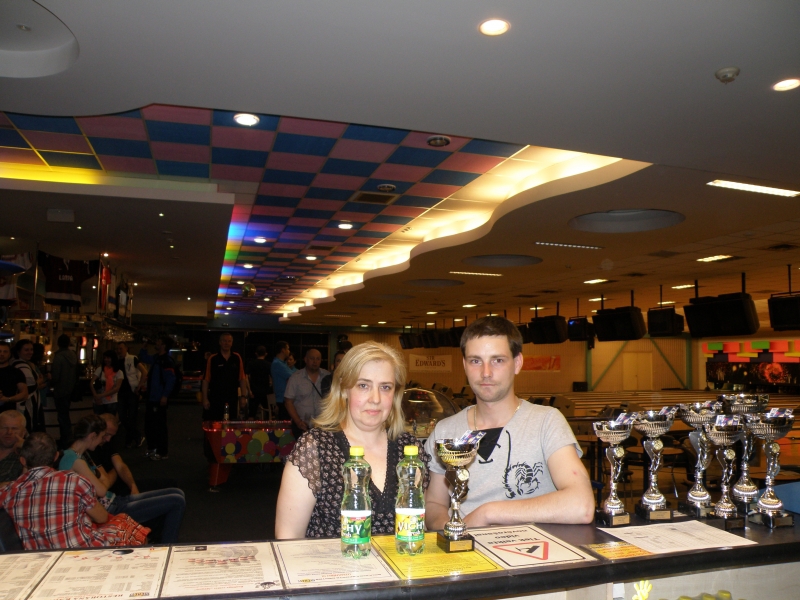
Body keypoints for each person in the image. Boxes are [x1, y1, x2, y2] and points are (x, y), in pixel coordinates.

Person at [424, 316, 595, 529]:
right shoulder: (445, 430)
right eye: (476, 361)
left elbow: (581, 505)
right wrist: (452, 531)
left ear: (517, 363)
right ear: (465, 366)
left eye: (498, 360)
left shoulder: (546, 422)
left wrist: (488, 513)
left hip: (531, 548)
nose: (486, 373)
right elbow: (434, 503)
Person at [275, 341, 429, 539]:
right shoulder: (314, 448)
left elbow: (419, 528)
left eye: (385, 387)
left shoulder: (411, 448)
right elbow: (288, 537)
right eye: (363, 385)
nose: (375, 398)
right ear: (344, 388)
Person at [1, 432, 149, 549]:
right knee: (126, 523)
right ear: (56, 456)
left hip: (41, 555)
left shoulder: (9, 491)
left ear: (22, 461)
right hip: (82, 549)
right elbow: (101, 518)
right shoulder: (74, 480)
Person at [60, 415, 186, 543]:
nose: (103, 441)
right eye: (101, 437)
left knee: (177, 493)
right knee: (177, 501)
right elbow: (102, 490)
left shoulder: (81, 455)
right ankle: (169, 545)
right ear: (92, 436)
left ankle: (165, 542)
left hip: (114, 501)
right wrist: (105, 479)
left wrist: (102, 481)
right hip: (110, 509)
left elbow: (103, 482)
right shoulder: (75, 460)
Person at [202, 333, 248, 420]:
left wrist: (243, 396)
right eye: (224, 341)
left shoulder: (237, 357)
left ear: (232, 343)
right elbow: (206, 380)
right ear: (220, 342)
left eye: (229, 341)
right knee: (215, 422)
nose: (226, 343)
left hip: (232, 398)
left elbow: (242, 378)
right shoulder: (213, 358)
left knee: (231, 423)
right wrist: (204, 398)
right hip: (215, 398)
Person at [284, 349, 330, 437]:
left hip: (323, 427)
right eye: (312, 358)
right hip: (302, 426)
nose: (315, 361)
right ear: (305, 359)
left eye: (318, 359)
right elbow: (288, 402)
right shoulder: (296, 378)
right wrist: (298, 422)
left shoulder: (327, 376)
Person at [145, 336, 176, 460]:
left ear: (163, 345)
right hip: (152, 397)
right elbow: (144, 357)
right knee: (150, 425)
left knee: (159, 426)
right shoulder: (157, 358)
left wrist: (164, 395)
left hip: (158, 397)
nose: (156, 343)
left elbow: (170, 379)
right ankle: (153, 448)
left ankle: (162, 451)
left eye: (158, 341)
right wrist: (144, 347)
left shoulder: (166, 361)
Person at [116, 342, 147, 447]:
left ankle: (129, 439)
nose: (119, 351)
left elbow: (144, 372)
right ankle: (135, 436)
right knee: (123, 416)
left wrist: (139, 386)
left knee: (131, 417)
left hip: (132, 391)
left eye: (121, 349)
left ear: (126, 348)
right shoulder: (117, 361)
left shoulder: (132, 359)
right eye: (118, 349)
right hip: (121, 392)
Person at [50, 334, 78, 448]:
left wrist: (50, 380)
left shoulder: (59, 357)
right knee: (65, 415)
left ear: (58, 343)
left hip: (60, 390)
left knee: (62, 416)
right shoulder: (73, 355)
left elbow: (55, 376)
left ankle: (65, 440)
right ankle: (67, 439)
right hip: (70, 389)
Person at [11, 339, 40, 431]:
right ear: (18, 351)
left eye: (31, 349)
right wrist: (38, 383)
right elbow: (31, 386)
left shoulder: (19, 363)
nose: (30, 352)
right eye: (26, 350)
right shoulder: (22, 366)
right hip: (26, 404)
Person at [91, 350, 123, 415]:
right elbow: (91, 383)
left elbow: (116, 388)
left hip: (111, 401)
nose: (106, 360)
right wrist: (96, 396)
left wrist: (101, 395)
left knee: (110, 419)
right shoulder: (100, 369)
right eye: (105, 358)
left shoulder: (119, 372)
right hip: (98, 401)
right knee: (98, 419)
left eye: (108, 358)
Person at [0, 341, 28, 416]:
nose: (2, 354)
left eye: (5, 351)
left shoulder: (16, 372)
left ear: (9, 354)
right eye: (0, 351)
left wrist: (8, 399)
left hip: (8, 414)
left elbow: (24, 394)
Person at [0, 410, 26, 488]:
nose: (9, 432)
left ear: (23, 432)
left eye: (14, 428)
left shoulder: (27, 456)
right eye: (4, 428)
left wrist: (26, 447)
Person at [246, 345, 271, 419]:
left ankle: (250, 426)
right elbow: (272, 377)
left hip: (254, 391)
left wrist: (249, 390)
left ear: (256, 353)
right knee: (268, 413)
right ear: (265, 354)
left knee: (251, 414)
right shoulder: (268, 364)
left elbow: (246, 377)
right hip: (265, 392)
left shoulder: (251, 363)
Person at [270, 341, 293, 421]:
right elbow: (292, 376)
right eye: (288, 349)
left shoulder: (283, 363)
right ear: (283, 350)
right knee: (285, 423)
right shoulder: (277, 363)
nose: (289, 351)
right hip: (282, 399)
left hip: (285, 398)